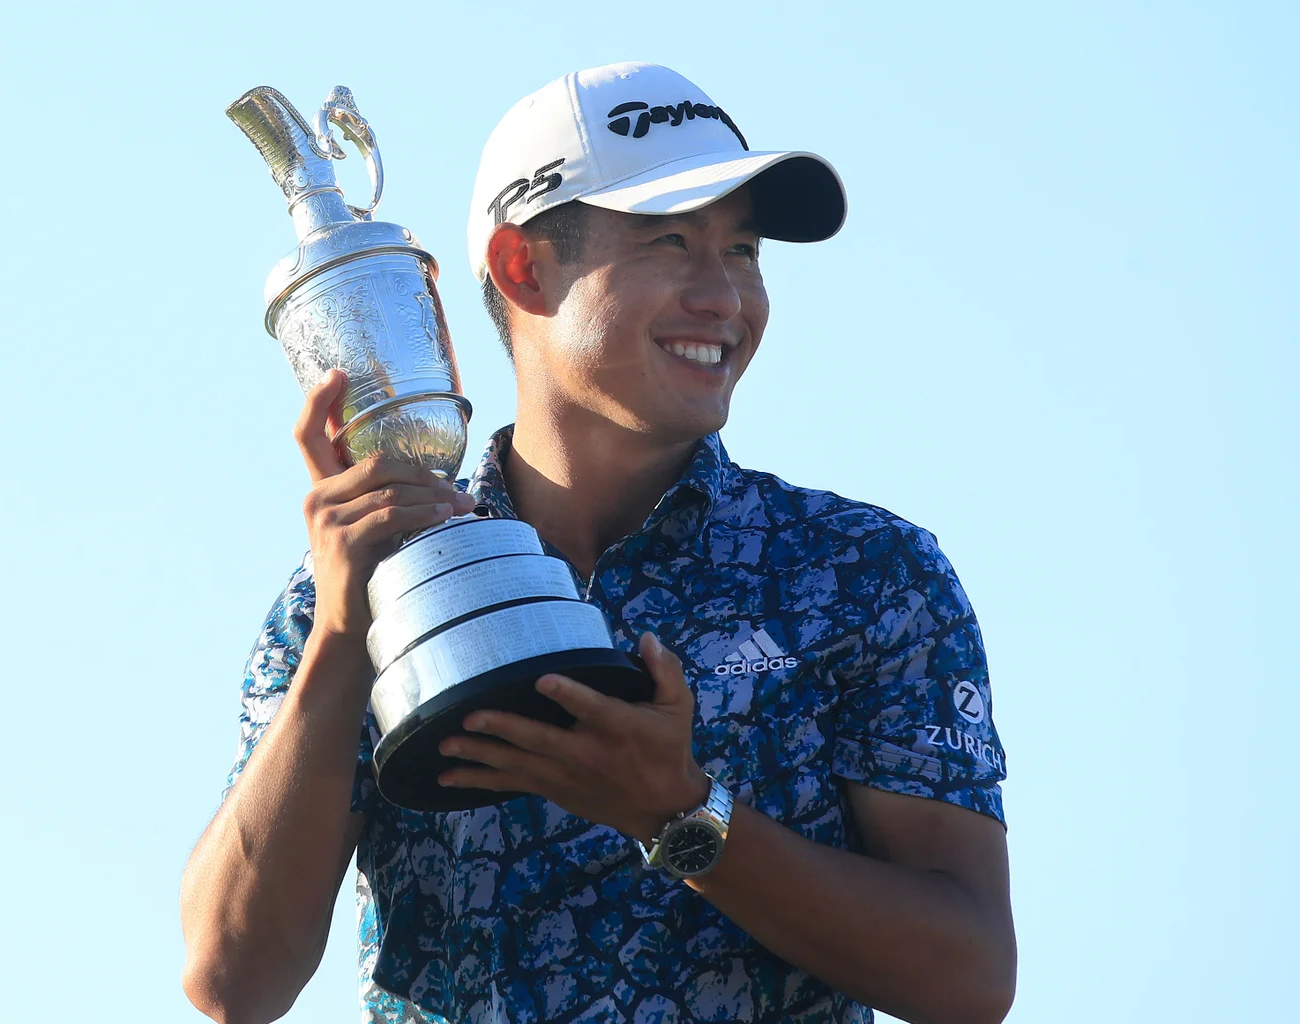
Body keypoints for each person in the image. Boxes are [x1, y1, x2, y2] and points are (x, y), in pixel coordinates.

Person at [181, 62, 1015, 1024]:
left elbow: (969, 978)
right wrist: (338, 638)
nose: (726, 296)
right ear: (521, 267)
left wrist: (680, 814)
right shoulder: (355, 591)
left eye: (743, 250)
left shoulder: (869, 574)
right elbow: (232, 980)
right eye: (671, 241)